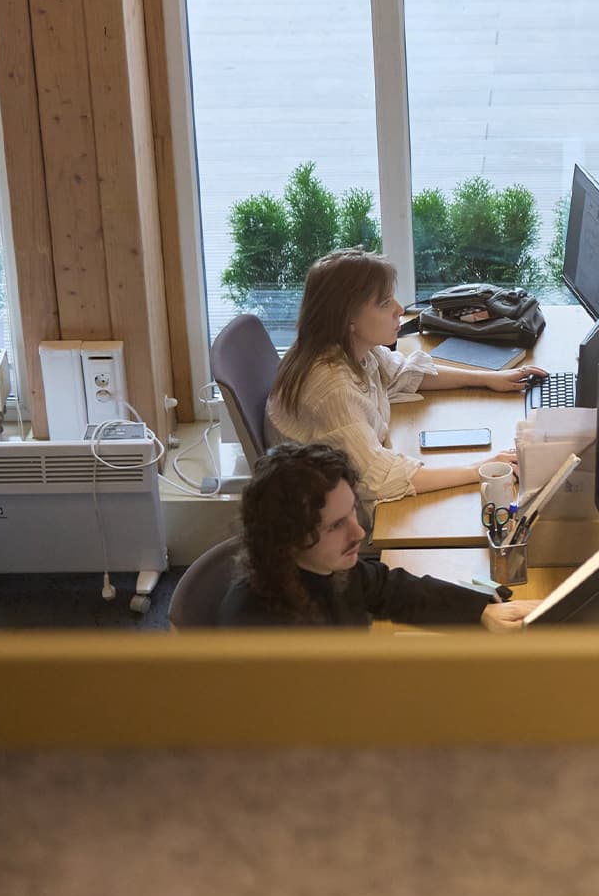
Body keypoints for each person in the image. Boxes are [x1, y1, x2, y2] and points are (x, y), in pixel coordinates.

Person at [267, 247, 547, 505]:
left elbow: (404, 373)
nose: (399, 309)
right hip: (331, 515)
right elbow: (379, 477)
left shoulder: (347, 347)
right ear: (348, 318)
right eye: (384, 303)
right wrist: (480, 468)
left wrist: (487, 378)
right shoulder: (332, 388)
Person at [217, 443, 538, 629]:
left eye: (352, 512)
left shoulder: (320, 567)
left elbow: (388, 587)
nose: (358, 532)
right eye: (336, 525)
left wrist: (480, 610)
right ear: (288, 537)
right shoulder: (260, 632)